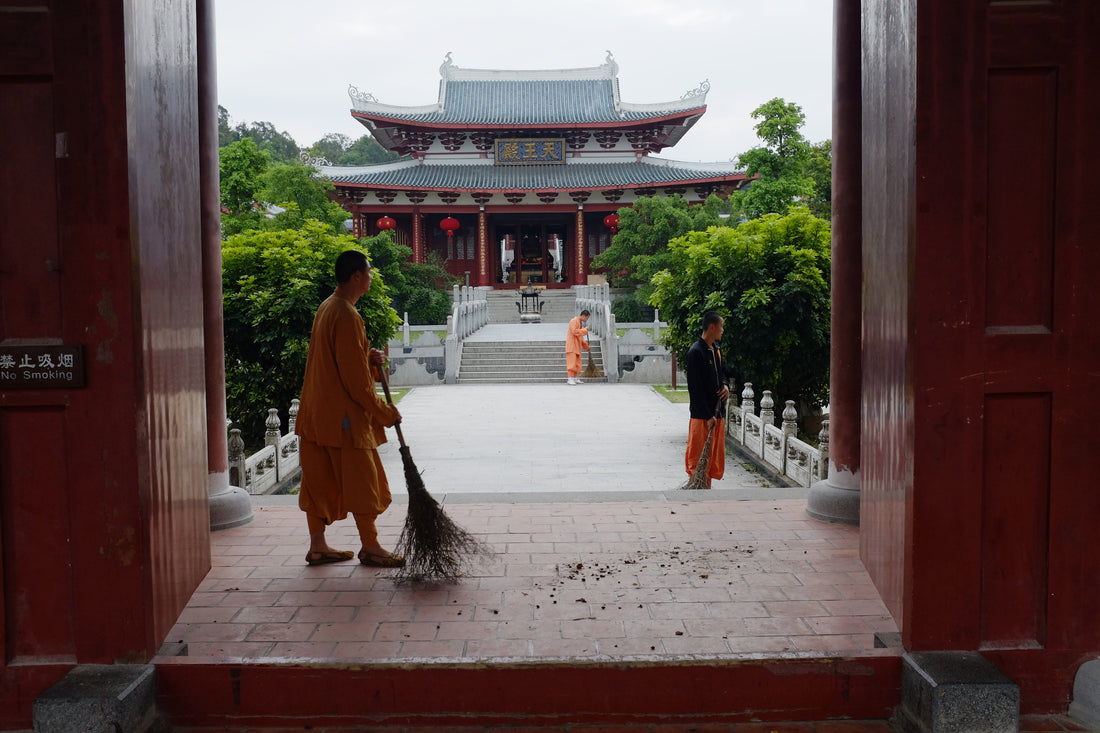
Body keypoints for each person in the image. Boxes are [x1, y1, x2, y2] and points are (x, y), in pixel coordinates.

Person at [295, 250, 405, 567]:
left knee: (318, 482)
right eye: (368, 272)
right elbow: (355, 384)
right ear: (357, 275)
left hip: (316, 415)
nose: (370, 277)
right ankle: (370, 546)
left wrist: (366, 360)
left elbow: (339, 365)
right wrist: (385, 413)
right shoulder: (346, 315)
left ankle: (318, 546)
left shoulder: (328, 307)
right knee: (363, 482)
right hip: (341, 420)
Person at [685, 311, 731, 488]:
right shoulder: (696, 352)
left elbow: (722, 375)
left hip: (717, 412)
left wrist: (725, 386)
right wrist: (707, 415)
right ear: (712, 327)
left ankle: (706, 487)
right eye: (721, 326)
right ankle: (696, 486)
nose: (722, 330)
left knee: (712, 457)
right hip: (702, 416)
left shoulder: (716, 350)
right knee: (697, 456)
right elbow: (694, 389)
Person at [566, 309, 591, 385]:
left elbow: (580, 337)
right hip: (572, 346)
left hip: (577, 346)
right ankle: (570, 378)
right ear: (583, 315)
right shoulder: (573, 321)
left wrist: (586, 346)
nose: (586, 320)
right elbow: (574, 332)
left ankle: (574, 378)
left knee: (577, 363)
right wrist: (584, 330)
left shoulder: (579, 323)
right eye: (586, 318)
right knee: (571, 363)